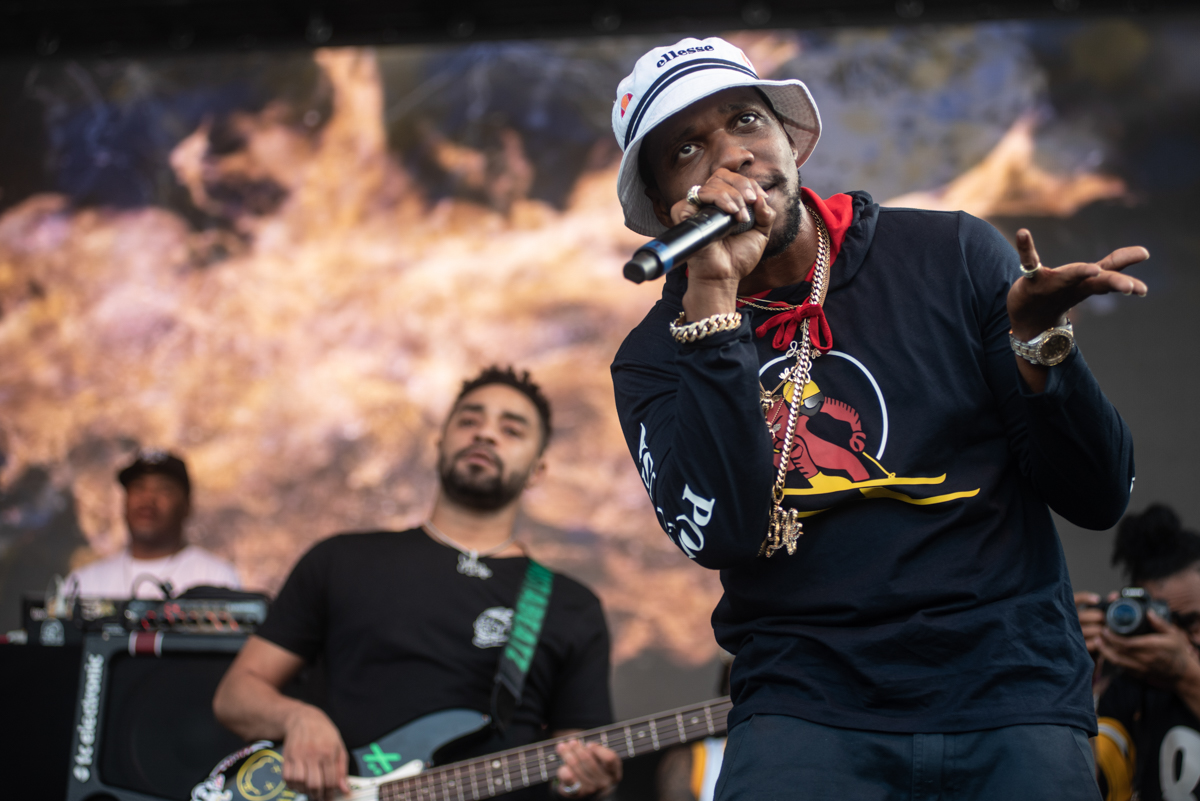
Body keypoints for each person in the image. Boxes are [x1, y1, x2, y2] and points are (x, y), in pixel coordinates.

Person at [609, 36, 1147, 799]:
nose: (733, 156)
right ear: (667, 206)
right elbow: (722, 530)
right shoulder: (653, 356)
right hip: (806, 711)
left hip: (1008, 693)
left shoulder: (951, 253)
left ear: (791, 142)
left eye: (747, 123)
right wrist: (713, 308)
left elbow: (1099, 495)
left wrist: (1040, 351)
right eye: (689, 147)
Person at [213, 366, 622, 801]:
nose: (485, 434)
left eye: (511, 429)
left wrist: (585, 782)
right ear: (439, 443)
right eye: (469, 420)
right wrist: (297, 719)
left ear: (538, 470)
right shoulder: (343, 558)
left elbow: (577, 761)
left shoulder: (571, 605)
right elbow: (236, 694)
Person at [1076, 505, 1200, 801]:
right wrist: (1075, 680)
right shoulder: (1122, 692)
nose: (1174, 638)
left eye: (1193, 623)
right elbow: (1077, 788)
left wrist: (1187, 676)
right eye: (1162, 619)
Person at [68, 450, 241, 598]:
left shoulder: (217, 579)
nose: (148, 499)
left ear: (187, 506)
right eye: (138, 487)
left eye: (164, 489)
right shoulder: (83, 584)